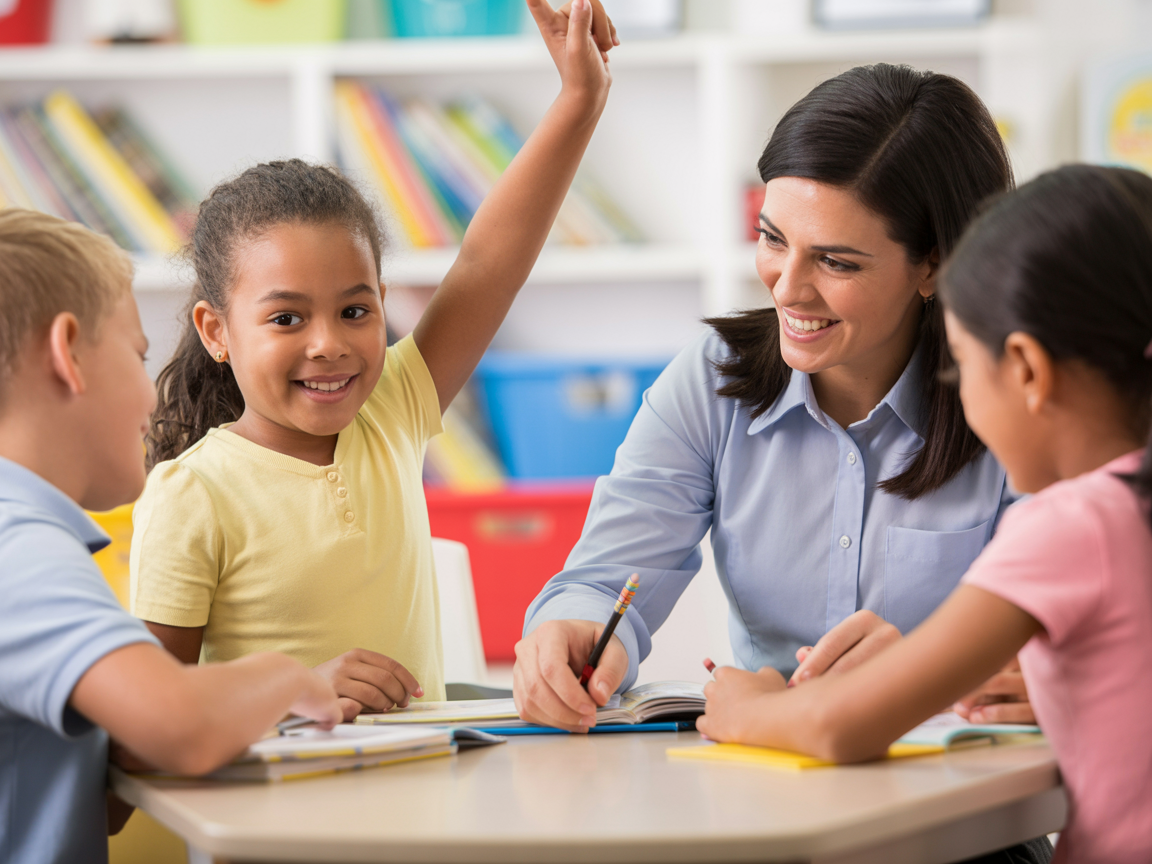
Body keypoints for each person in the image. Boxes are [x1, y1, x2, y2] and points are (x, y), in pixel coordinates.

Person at [130, 0, 616, 720]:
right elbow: (148, 720)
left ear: (383, 304)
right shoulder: (191, 496)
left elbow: (487, 264)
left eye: (355, 311)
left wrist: (580, 99)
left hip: (427, 784)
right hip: (277, 793)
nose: (329, 342)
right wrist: (291, 693)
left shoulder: (392, 404)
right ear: (216, 330)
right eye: (287, 318)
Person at [516, 63, 1030, 729]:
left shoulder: (1018, 404)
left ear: (935, 263)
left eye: (836, 261)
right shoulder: (712, 381)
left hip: (962, 785)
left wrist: (939, 672)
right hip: (766, 772)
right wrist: (570, 629)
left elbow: (1074, 629)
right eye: (772, 238)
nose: (787, 287)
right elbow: (601, 581)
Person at [698, 163, 1152, 864]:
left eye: (960, 366)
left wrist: (744, 708)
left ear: (1027, 370)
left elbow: (843, 727)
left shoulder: (1072, 525)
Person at [0, 210, 342, 864]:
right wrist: (286, 676)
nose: (152, 397)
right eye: (137, 356)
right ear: (67, 353)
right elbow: (180, 726)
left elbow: (120, 766)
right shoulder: (18, 547)